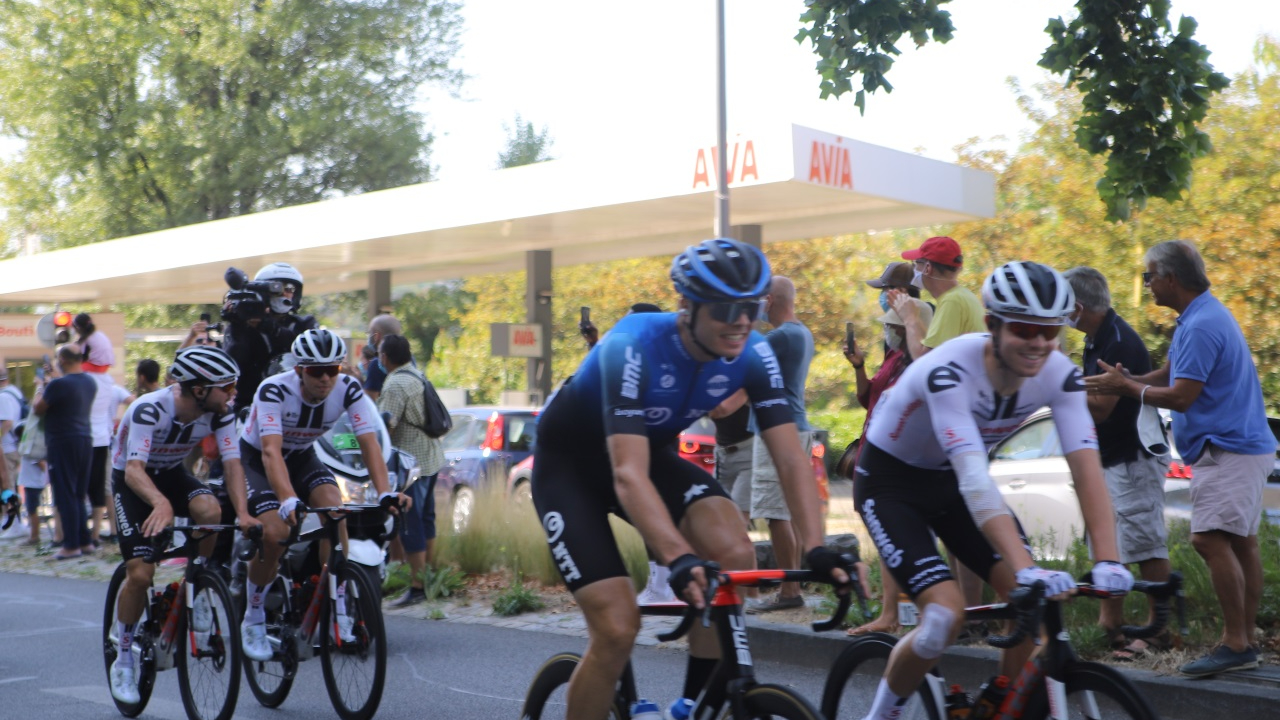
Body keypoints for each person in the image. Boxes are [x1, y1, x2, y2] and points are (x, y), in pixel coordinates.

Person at [531, 238, 852, 720]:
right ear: (687, 305)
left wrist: (817, 549)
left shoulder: (754, 352)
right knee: (617, 627)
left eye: (751, 306)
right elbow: (627, 473)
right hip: (572, 468)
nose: (741, 320)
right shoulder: (632, 343)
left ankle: (691, 707)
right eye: (725, 307)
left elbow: (790, 460)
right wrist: (678, 557)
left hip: (649, 457)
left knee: (733, 553)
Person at [855, 261, 1132, 720]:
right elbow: (976, 481)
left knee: (1031, 606)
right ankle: (880, 715)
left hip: (949, 484)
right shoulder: (951, 370)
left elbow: (1086, 469)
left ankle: (1000, 701)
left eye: (1052, 331)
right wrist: (1026, 569)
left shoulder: (1058, 374)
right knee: (944, 615)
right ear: (992, 325)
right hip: (891, 483)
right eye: (1025, 329)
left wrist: (1107, 558)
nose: (1040, 343)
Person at [1084, 240, 1273, 678]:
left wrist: (1129, 390)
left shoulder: (1203, 324)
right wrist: (1126, 379)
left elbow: (1183, 398)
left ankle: (1237, 643)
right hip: (1239, 445)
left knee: (1208, 539)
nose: (1146, 284)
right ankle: (1243, 639)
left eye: (1149, 276)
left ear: (1170, 278)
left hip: (1229, 448)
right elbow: (1171, 374)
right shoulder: (1198, 316)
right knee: (1240, 542)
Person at [233, 328, 409, 661]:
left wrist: (385, 493)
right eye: (316, 371)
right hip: (258, 459)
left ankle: (339, 602)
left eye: (333, 369)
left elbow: (369, 442)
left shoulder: (349, 389)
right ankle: (253, 614)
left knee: (335, 508)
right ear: (299, 369)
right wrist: (287, 499)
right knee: (276, 533)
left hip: (300, 454)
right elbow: (270, 451)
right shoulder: (273, 390)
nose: (326, 378)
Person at [106, 346, 246, 704]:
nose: (233, 394)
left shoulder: (219, 414)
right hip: (132, 482)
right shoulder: (149, 409)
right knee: (140, 575)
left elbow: (232, 466)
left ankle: (196, 585)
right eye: (226, 387)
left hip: (170, 473)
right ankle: (123, 657)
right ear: (199, 390)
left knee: (211, 511)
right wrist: (161, 503)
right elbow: (135, 471)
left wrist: (244, 515)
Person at [1063, 266, 1172, 660]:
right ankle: (1111, 626)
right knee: (1110, 547)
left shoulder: (1119, 342)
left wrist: (1060, 379)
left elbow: (1100, 410)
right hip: (1108, 459)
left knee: (1144, 544)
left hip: (1133, 458)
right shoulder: (1098, 338)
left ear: (1076, 306)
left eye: (1061, 306)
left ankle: (1157, 630)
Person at [843, 297, 932, 635]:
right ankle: (891, 612)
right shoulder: (893, 357)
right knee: (886, 537)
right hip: (874, 450)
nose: (888, 331)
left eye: (893, 326)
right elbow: (869, 399)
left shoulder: (919, 365)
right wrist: (859, 366)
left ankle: (913, 610)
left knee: (904, 534)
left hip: (899, 460)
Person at [745, 276, 815, 614]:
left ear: (769, 300)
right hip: (795, 428)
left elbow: (740, 358)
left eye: (758, 300)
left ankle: (789, 591)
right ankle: (794, 584)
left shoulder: (781, 336)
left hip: (778, 432)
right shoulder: (801, 332)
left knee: (775, 513)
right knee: (788, 511)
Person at [376, 334, 446, 607]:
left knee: (411, 522)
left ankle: (417, 585)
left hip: (410, 463)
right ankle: (428, 579)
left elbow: (386, 426)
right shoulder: (417, 374)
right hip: (431, 456)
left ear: (385, 357)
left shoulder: (394, 384)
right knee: (427, 518)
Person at [221, 261, 318, 411]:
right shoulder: (245, 322)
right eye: (278, 288)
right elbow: (232, 364)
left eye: (290, 288)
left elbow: (307, 350)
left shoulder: (303, 323)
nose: (286, 293)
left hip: (296, 403)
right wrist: (237, 326)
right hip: (250, 405)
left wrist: (269, 327)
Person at [32, 344, 98, 560]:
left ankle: (70, 545)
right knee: (78, 493)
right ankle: (85, 541)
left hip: (62, 441)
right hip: (84, 439)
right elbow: (69, 389)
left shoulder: (57, 385)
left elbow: (38, 408)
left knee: (64, 494)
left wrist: (41, 385)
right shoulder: (89, 381)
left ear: (64, 360)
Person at [890, 236, 984, 360]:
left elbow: (925, 362)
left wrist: (909, 318)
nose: (914, 269)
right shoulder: (961, 296)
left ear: (927, 268)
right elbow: (930, 346)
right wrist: (914, 316)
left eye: (916, 263)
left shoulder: (952, 301)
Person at [88, 371, 134, 546]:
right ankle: (114, 530)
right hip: (105, 440)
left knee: (93, 487)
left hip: (90, 441)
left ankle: (95, 533)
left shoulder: (89, 389)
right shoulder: (115, 389)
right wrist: (122, 423)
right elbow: (133, 402)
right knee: (106, 487)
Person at [363, 314, 403, 402]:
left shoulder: (377, 364)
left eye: (369, 333)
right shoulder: (409, 360)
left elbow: (368, 402)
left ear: (376, 336)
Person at [0, 370, 22, 522]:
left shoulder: (3, 396)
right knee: (10, 484)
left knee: (7, 485)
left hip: (7, 448)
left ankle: (12, 522)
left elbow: (7, 422)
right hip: (12, 446)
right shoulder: (15, 393)